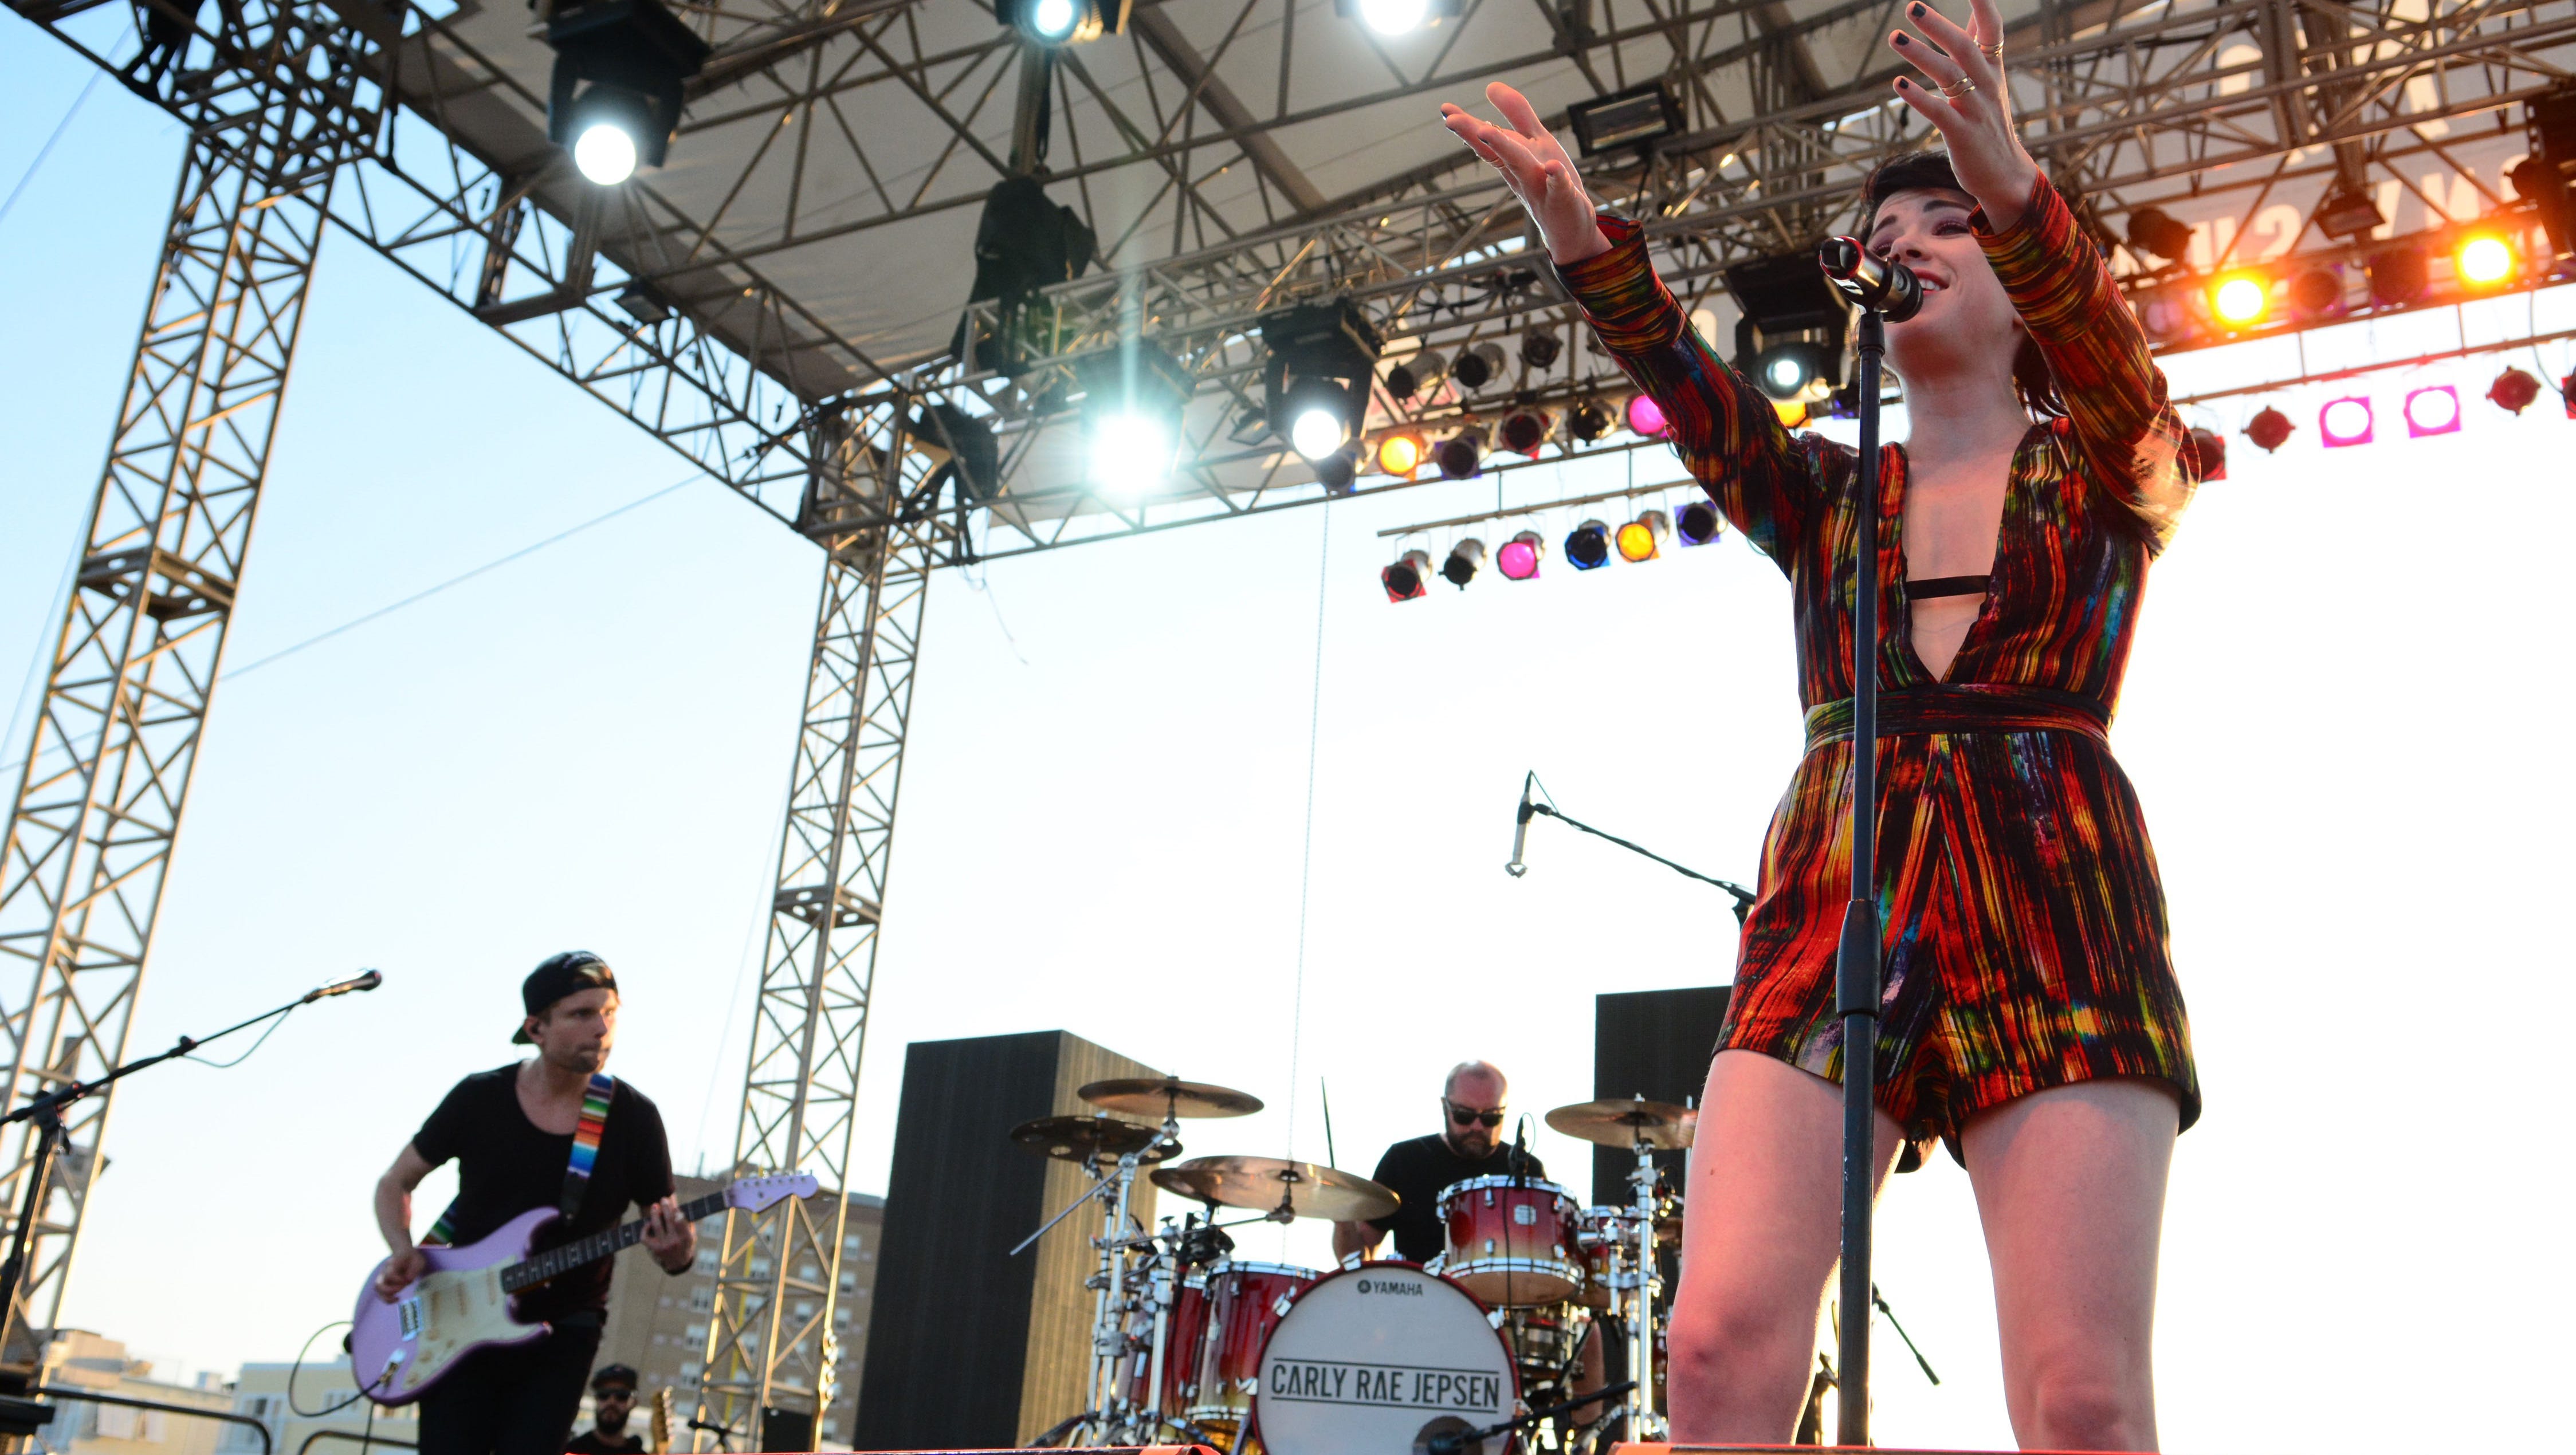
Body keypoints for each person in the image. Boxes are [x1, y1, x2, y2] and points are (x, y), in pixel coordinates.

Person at [1441, 2, 2197, 1448]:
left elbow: (2118, 373)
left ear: (2030, 269)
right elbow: (1701, 402)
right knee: (1716, 1347)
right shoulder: (1833, 497)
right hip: (1839, 887)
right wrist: (1584, 243)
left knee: (2083, 1395)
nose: (1907, 240)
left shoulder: (2113, 463)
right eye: (1888, 227)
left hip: (2054, 888)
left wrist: (2021, 192)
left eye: (1948, 222)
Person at [371, 953, 698, 1455]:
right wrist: (402, 1248)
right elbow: (395, 1183)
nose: (602, 1027)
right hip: (458, 1321)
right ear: (537, 1027)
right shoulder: (481, 1098)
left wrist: (678, 1251)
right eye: (582, 1014)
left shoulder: (633, 1117)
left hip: (564, 1330)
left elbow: (667, 1227)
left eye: (610, 1012)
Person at [1330, 1060, 1540, 1264]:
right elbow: (1358, 1257)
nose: (1477, 1126)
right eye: (1464, 1115)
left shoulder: (1528, 1170)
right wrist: (1342, 1218)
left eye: (1491, 1117)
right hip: (1417, 1297)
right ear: (1445, 1106)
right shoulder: (1404, 1160)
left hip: (1503, 1297)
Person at [564, 1365, 645, 1455]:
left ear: (634, 1402)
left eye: (622, 1396)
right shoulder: (572, 1451)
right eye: (604, 1395)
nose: (612, 1402)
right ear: (596, 1399)